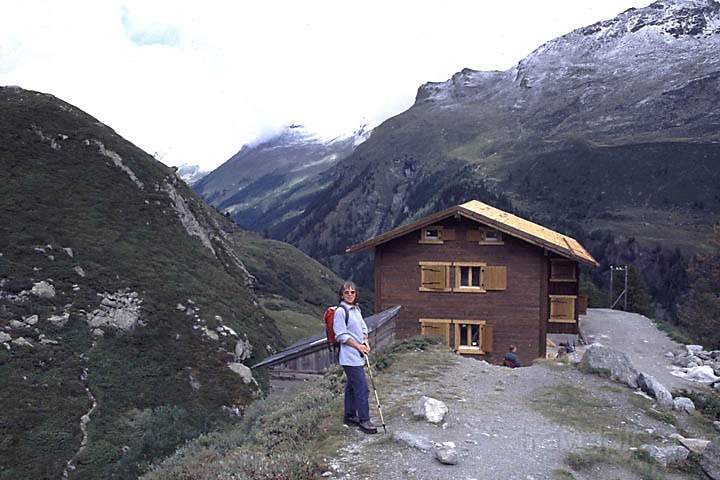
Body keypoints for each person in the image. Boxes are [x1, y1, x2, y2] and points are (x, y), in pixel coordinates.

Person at [333, 280, 378, 434]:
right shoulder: (341, 312)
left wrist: (365, 341)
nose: (350, 295)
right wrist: (358, 346)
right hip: (349, 356)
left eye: (352, 292)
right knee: (362, 388)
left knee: (352, 386)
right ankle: (364, 420)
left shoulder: (355, 309)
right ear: (341, 294)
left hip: (358, 354)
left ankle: (350, 416)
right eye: (347, 292)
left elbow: (363, 327)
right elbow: (340, 335)